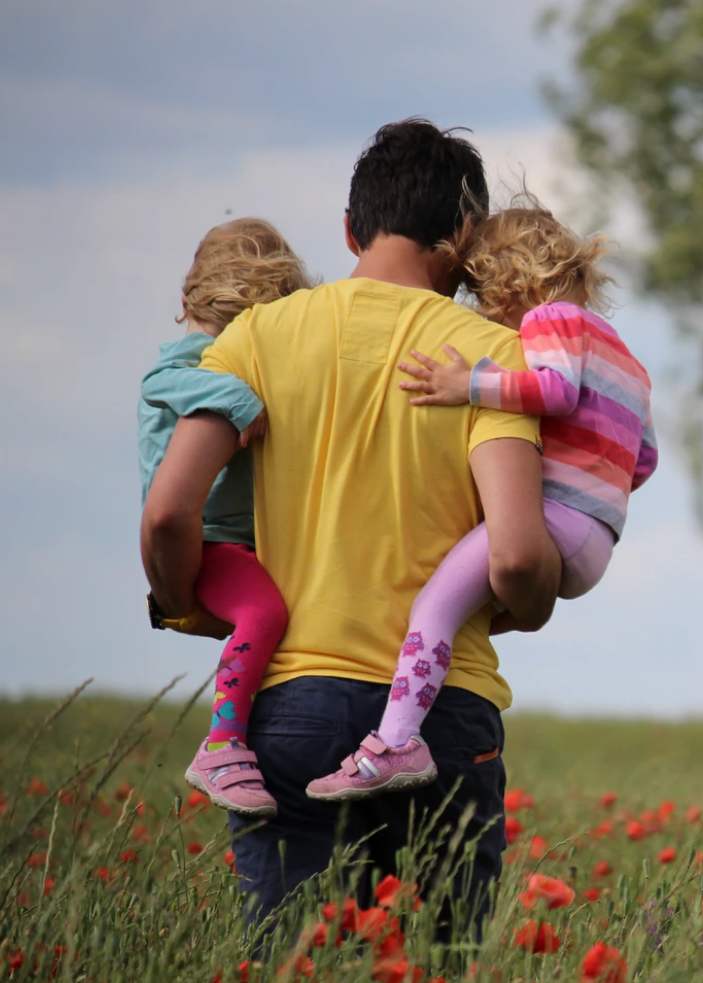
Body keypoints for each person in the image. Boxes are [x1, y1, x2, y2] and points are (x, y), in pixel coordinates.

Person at [140, 118, 561, 927]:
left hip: (290, 704)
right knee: (438, 961)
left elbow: (167, 511)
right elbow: (513, 556)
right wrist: (532, 602)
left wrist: (188, 601)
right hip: (442, 714)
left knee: (298, 956)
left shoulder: (254, 338)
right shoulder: (490, 357)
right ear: (464, 235)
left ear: (348, 228)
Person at [306, 203, 658, 800]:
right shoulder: (628, 359)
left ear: (510, 280)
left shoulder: (551, 320)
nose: (487, 312)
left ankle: (395, 742)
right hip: (598, 537)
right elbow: (643, 460)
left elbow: (554, 390)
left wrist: (465, 384)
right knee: (465, 609)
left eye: (483, 293)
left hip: (555, 519)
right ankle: (414, 713)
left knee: (433, 608)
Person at [138, 218, 309, 817]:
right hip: (209, 541)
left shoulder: (227, 354)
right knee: (264, 612)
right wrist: (239, 400)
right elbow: (161, 380)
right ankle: (223, 744)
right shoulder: (195, 359)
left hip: (238, 541)